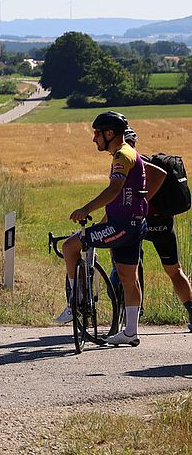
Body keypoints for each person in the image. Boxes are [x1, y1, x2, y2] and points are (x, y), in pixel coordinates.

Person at [54, 112, 147, 346]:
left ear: (109, 133)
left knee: (69, 246)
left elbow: (115, 190)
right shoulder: (129, 153)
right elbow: (125, 195)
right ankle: (131, 332)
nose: (94, 138)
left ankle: (73, 302)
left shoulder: (122, 156)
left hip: (123, 226)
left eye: (97, 133)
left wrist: (85, 208)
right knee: (128, 277)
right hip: (133, 224)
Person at [123, 127, 192, 332]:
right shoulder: (147, 162)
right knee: (174, 270)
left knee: (129, 268)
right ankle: (191, 311)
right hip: (163, 221)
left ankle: (134, 314)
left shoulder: (131, 166)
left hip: (138, 222)